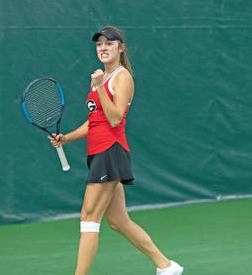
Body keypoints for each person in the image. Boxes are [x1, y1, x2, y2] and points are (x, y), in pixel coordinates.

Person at [50, 26, 184, 275]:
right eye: (99, 43)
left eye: (109, 43)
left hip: (110, 152)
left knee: (89, 218)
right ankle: (167, 266)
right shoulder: (101, 78)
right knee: (118, 221)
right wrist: (67, 137)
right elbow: (95, 121)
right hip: (99, 151)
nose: (103, 47)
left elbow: (114, 118)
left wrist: (100, 86)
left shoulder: (122, 78)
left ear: (121, 48)